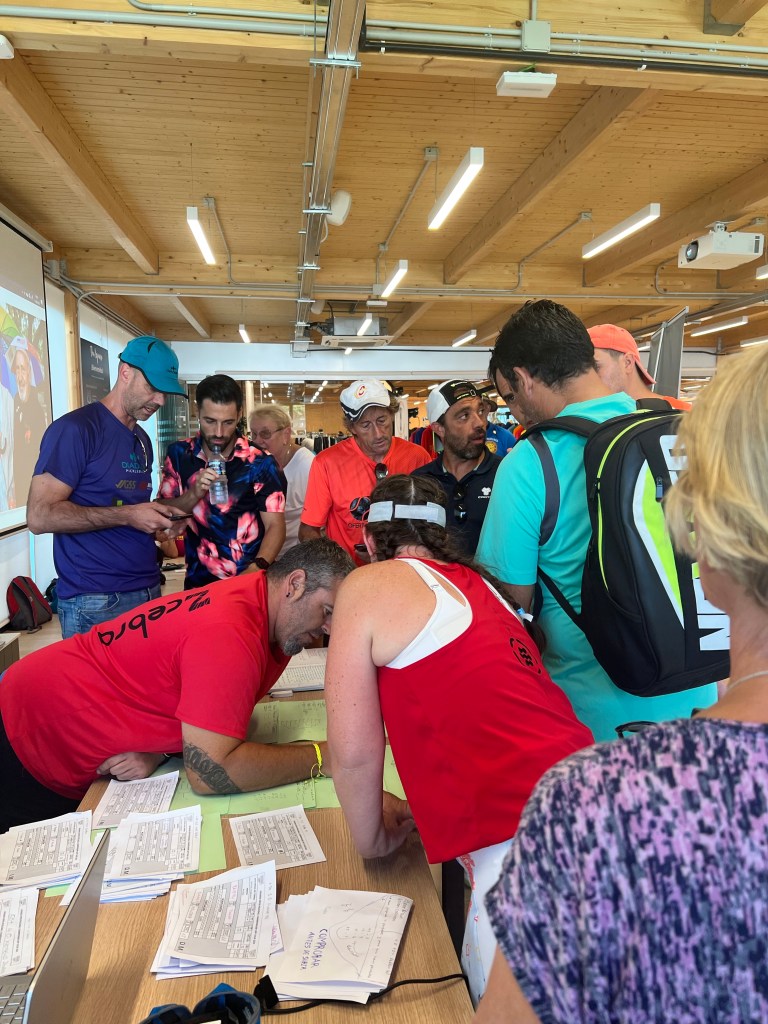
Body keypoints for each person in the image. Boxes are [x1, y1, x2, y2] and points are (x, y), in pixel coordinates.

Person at [476, 343, 768, 1024]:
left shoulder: (596, 810)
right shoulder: (655, 423)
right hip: (698, 691)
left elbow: (504, 607)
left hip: (591, 726)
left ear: (703, 533)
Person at [325, 474, 594, 1003]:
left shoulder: (369, 584)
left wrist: (371, 838)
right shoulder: (484, 587)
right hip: (594, 802)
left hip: (523, 847)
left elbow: (352, 754)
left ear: (369, 540)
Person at [476, 300, 716, 741]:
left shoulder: (530, 462)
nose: (516, 412)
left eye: (510, 397)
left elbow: (509, 605)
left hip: (597, 719)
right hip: (702, 696)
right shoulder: (682, 433)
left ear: (524, 379)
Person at [0, 538, 354, 832]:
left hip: (47, 708)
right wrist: (323, 756)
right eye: (327, 611)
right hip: (30, 731)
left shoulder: (265, 608)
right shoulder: (231, 631)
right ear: (295, 584)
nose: (329, 629)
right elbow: (211, 772)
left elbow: (184, 697)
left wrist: (162, 751)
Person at [27, 335, 188, 639]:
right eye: (152, 388)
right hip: (95, 599)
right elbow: (39, 516)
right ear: (125, 372)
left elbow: (128, 507)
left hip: (148, 589)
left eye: (165, 392)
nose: (160, 401)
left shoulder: (142, 440)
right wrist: (128, 516)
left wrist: (158, 523)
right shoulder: (76, 430)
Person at [159, 375, 286, 589]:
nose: (219, 432)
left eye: (228, 422)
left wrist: (257, 568)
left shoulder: (260, 462)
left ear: (239, 415)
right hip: (197, 586)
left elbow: (276, 526)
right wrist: (193, 494)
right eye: (210, 421)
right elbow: (162, 515)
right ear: (197, 412)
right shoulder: (179, 454)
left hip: (248, 585)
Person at [299, 379, 430, 563]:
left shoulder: (417, 457)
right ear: (352, 428)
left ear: (391, 415)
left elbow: (431, 525)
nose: (378, 434)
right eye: (366, 425)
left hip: (404, 570)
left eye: (382, 420)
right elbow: (308, 530)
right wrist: (336, 566)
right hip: (349, 572)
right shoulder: (326, 462)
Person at [411, 380, 501, 557]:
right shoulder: (420, 483)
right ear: (439, 429)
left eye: (480, 411)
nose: (479, 423)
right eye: (464, 416)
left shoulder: (506, 475)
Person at [249, 404, 313, 557]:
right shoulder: (254, 463)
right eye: (253, 434)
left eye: (265, 434)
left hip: (293, 557)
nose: (257, 441)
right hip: (260, 554)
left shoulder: (307, 466)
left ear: (286, 434)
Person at [588, 323, 692, 410]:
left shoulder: (684, 415)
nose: (588, 378)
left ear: (628, 363)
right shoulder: (594, 417)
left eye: (596, 367)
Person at [10, 339, 49, 508]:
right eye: (17, 369)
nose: (20, 376)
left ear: (29, 372)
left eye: (23, 368)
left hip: (34, 480)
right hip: (18, 479)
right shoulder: (14, 400)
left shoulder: (36, 404)